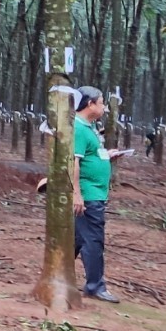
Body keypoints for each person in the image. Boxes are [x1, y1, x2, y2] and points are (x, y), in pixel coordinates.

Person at [72, 85, 129, 303]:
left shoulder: (89, 128)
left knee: (77, 239)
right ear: (90, 104)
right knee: (93, 240)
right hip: (88, 195)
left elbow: (89, 156)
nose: (105, 106)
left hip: (92, 194)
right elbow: (73, 162)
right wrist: (77, 194)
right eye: (102, 102)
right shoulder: (78, 128)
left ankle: (60, 275)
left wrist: (106, 155)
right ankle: (95, 286)